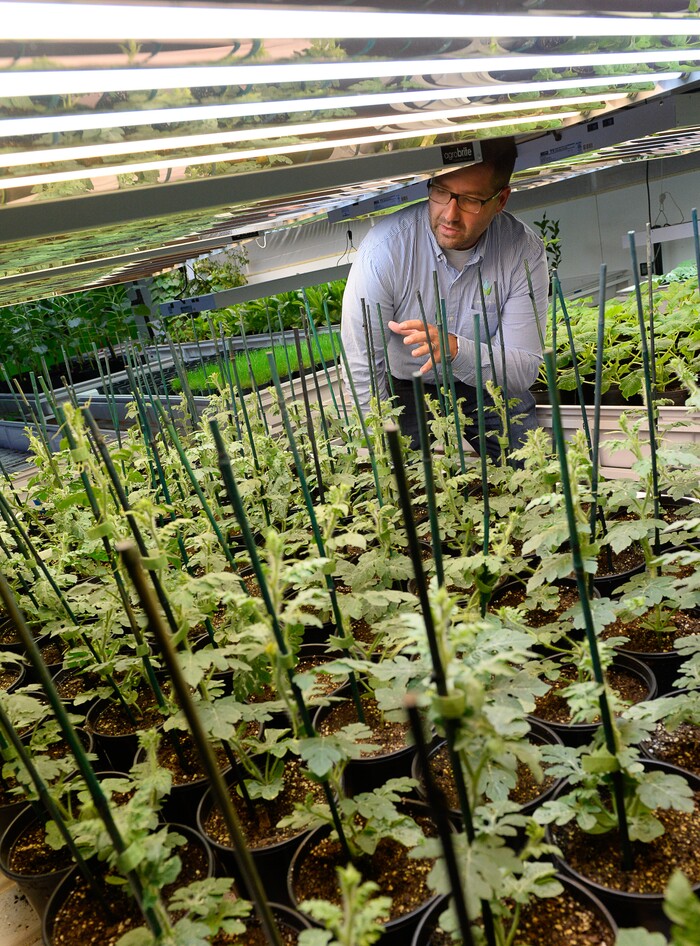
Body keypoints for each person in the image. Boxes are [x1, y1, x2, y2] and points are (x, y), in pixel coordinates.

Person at [340, 136, 548, 459]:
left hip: (485, 381)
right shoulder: (385, 251)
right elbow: (361, 361)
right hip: (405, 383)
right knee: (402, 485)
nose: (450, 214)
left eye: (469, 200)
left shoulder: (522, 252)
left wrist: (456, 350)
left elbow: (522, 367)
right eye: (441, 192)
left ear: (501, 200)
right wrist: (380, 447)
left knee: (529, 467)